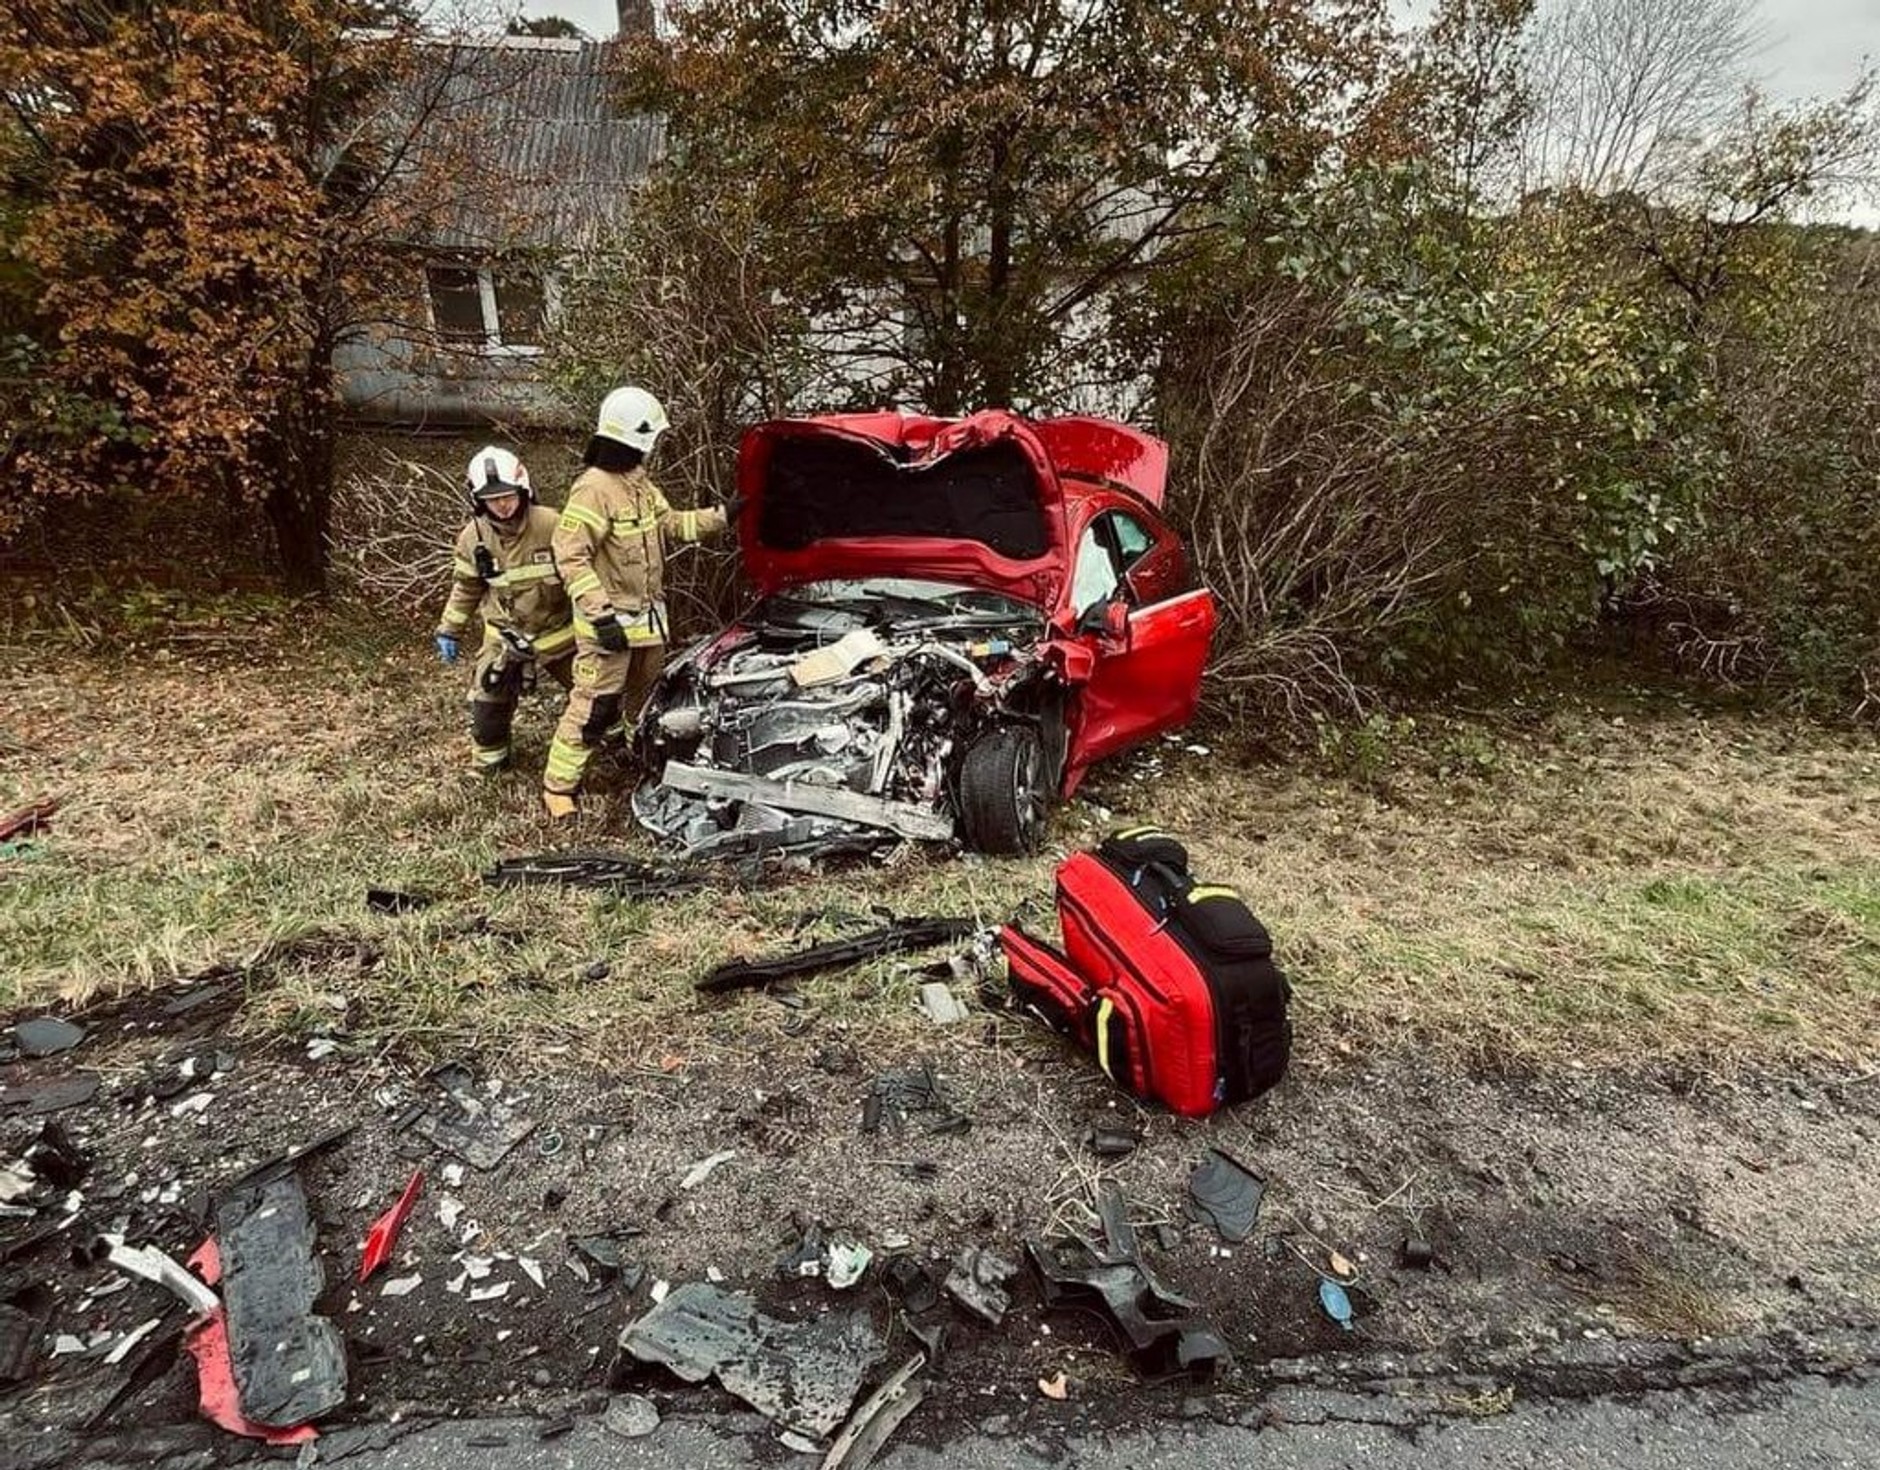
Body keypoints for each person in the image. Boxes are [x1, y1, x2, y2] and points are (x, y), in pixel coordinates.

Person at [543, 386, 729, 818]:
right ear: (636, 438)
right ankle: (559, 787)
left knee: (644, 702)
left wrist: (723, 516)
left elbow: (672, 526)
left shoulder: (640, 485)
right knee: (594, 706)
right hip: (608, 627)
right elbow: (571, 555)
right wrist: (599, 614)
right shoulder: (593, 489)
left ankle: (638, 755)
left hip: (648, 624)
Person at [434, 445, 576, 773]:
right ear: (477, 499)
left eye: (507, 495)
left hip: (559, 635)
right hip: (506, 640)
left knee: (599, 696)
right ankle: (491, 764)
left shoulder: (552, 525)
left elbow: (583, 575)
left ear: (523, 489)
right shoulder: (473, 538)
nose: (501, 504)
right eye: (491, 498)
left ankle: (614, 747)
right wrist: (449, 630)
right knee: (487, 705)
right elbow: (467, 587)